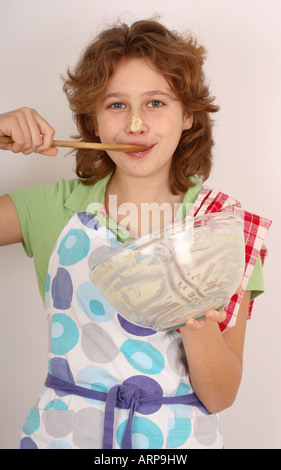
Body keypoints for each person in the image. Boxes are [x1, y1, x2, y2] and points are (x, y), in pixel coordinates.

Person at [0, 20, 271, 449]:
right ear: (94, 120)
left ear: (189, 116)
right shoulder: (52, 210)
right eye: (116, 105)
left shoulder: (225, 227)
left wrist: (193, 316)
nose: (137, 124)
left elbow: (221, 394)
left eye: (156, 103)